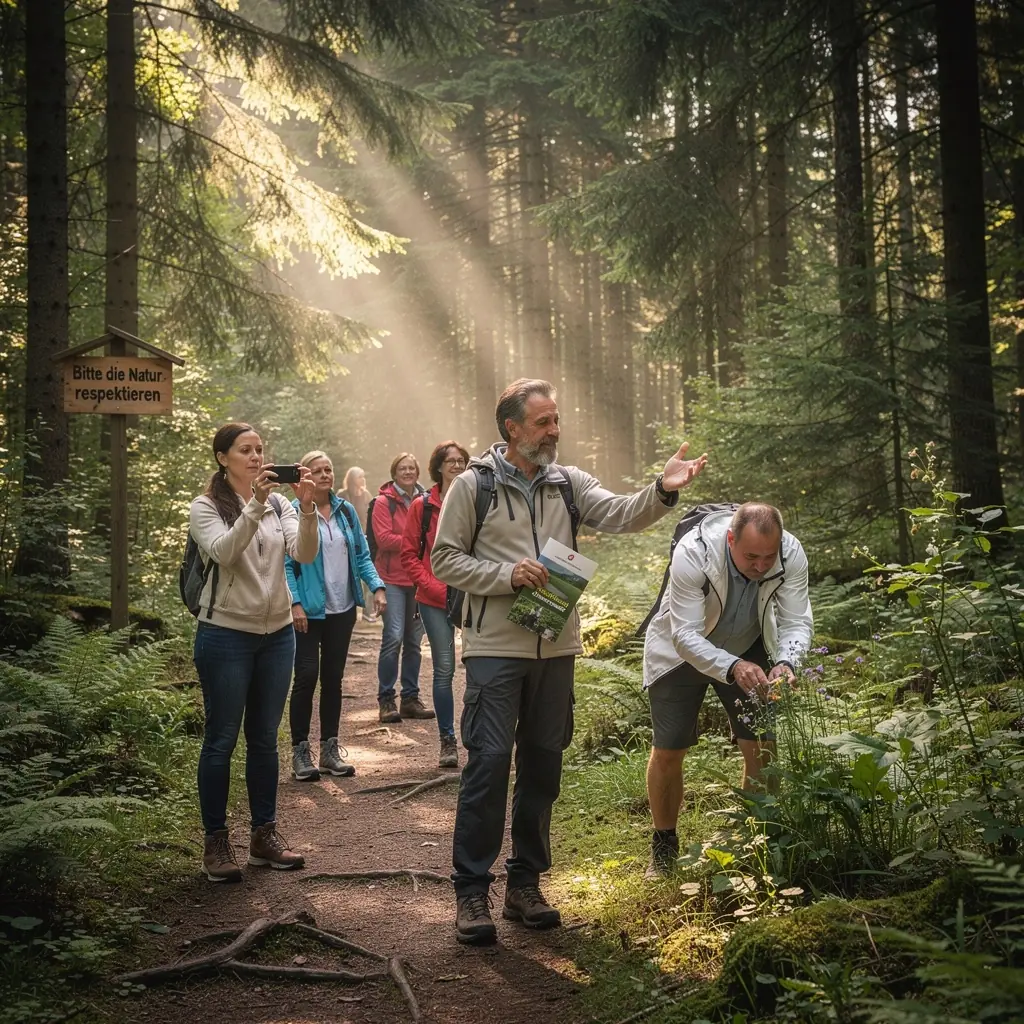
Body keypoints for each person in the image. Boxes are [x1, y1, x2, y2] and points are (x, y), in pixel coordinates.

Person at [430, 378, 708, 945]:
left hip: (555, 649)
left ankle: (525, 885)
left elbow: (625, 513)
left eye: (557, 420)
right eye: (543, 422)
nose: (555, 431)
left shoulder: (568, 484)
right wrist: (504, 576)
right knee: (486, 765)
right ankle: (470, 892)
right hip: (493, 650)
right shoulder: (473, 486)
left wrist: (662, 487)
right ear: (512, 429)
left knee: (543, 767)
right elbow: (442, 560)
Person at [641, 502, 813, 879]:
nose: (761, 566)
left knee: (763, 745)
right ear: (731, 539)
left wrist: (786, 662)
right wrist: (731, 666)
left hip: (750, 644)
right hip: (681, 652)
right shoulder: (693, 552)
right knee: (669, 749)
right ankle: (664, 844)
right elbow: (684, 635)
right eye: (751, 556)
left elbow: (797, 620)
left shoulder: (791, 552)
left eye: (769, 557)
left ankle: (758, 835)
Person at [189, 422, 319, 883]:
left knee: (265, 738)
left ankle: (264, 837)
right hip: (225, 634)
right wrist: (256, 504)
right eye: (245, 450)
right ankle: (216, 841)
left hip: (277, 634)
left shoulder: (281, 502)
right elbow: (224, 553)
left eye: (260, 449)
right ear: (223, 457)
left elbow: (303, 555)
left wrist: (305, 509)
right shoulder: (205, 507)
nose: (256, 457)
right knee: (222, 739)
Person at [286, 450, 387, 783]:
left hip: (342, 609)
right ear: (306, 477)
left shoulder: (345, 512)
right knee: (305, 677)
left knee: (332, 679)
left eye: (329, 469)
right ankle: (300, 751)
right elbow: (287, 563)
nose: (325, 474)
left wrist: (376, 586)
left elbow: (361, 554)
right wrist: (295, 602)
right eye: (318, 470)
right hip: (308, 613)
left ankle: (330, 750)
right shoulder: (297, 512)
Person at [400, 441, 469, 769]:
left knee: (483, 668)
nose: (456, 465)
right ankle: (447, 740)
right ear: (438, 466)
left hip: (473, 595)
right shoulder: (422, 506)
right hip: (433, 598)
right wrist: (433, 587)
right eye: (450, 461)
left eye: (461, 461)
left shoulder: (477, 501)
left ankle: (479, 737)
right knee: (444, 668)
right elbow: (409, 555)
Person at [373, 453, 433, 724]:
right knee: (394, 637)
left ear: (418, 472)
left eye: (412, 467)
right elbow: (384, 539)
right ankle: (386, 699)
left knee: (414, 642)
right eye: (402, 468)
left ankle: (410, 698)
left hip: (418, 579)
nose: (407, 472)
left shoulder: (426, 501)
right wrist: (415, 541)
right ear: (394, 472)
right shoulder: (383, 502)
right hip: (393, 579)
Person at [340, 466, 377, 622]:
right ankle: (348, 609)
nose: (362, 479)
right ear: (352, 478)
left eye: (363, 476)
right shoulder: (342, 495)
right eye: (359, 476)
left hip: (364, 539)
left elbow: (371, 517)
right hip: (346, 541)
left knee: (367, 574)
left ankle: (369, 612)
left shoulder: (366, 495)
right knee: (348, 575)